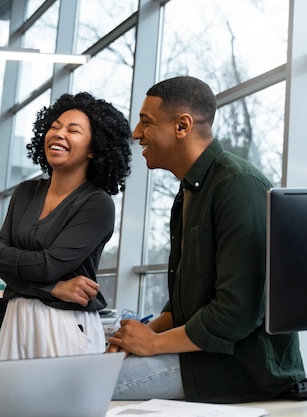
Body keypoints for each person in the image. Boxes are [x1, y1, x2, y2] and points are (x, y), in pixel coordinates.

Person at [107, 75, 306, 403]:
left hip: (239, 369)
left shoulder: (237, 185)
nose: (136, 133)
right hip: (200, 358)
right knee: (90, 374)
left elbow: (235, 312)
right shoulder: (189, 192)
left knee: (85, 388)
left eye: (146, 122)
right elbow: (188, 303)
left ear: (182, 126)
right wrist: (139, 335)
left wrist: (152, 344)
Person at [0, 92, 132, 360]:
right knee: (11, 402)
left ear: (94, 147)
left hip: (66, 323)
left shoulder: (97, 204)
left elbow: (48, 265)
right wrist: (54, 288)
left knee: (63, 403)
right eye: (54, 126)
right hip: (17, 318)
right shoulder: (25, 192)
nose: (58, 133)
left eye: (73, 130)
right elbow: (6, 267)